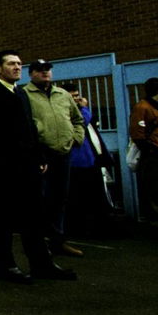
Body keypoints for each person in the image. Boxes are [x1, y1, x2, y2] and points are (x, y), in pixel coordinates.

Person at [0, 50, 75, 283]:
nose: (17, 67)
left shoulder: (21, 95)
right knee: (3, 219)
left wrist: (39, 158)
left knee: (34, 217)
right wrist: (4, 163)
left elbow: (29, 130)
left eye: (19, 64)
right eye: (11, 64)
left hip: (29, 169)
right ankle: (5, 266)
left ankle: (42, 264)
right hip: (5, 171)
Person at [24, 60, 85, 257]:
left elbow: (77, 119)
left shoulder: (63, 94)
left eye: (48, 70)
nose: (45, 73)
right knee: (40, 199)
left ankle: (58, 242)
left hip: (63, 154)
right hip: (41, 155)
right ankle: (40, 244)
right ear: (31, 73)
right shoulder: (24, 94)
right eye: (40, 70)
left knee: (60, 198)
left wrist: (76, 137)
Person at [61, 83, 114, 236]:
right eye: (72, 96)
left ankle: (98, 227)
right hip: (76, 162)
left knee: (96, 197)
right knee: (77, 198)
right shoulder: (66, 113)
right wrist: (84, 109)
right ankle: (80, 229)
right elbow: (80, 123)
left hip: (90, 160)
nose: (76, 99)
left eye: (77, 96)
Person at [130, 77, 158, 227]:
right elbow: (138, 133)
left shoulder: (151, 107)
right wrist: (150, 149)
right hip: (154, 154)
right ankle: (157, 222)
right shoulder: (143, 108)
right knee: (154, 189)